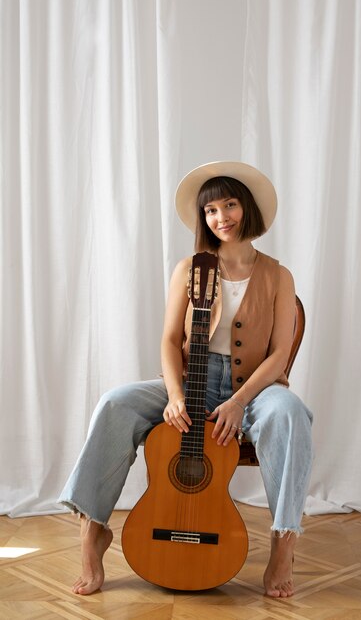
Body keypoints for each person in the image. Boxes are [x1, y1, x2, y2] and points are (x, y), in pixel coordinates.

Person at [58, 161, 313, 599]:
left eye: (230, 205)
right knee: (114, 403)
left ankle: (283, 540)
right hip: (191, 380)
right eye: (211, 210)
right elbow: (169, 339)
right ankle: (92, 530)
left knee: (290, 414)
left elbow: (278, 356)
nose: (221, 217)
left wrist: (239, 401)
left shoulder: (278, 275)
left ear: (246, 208)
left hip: (253, 387)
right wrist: (175, 395)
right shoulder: (189, 269)